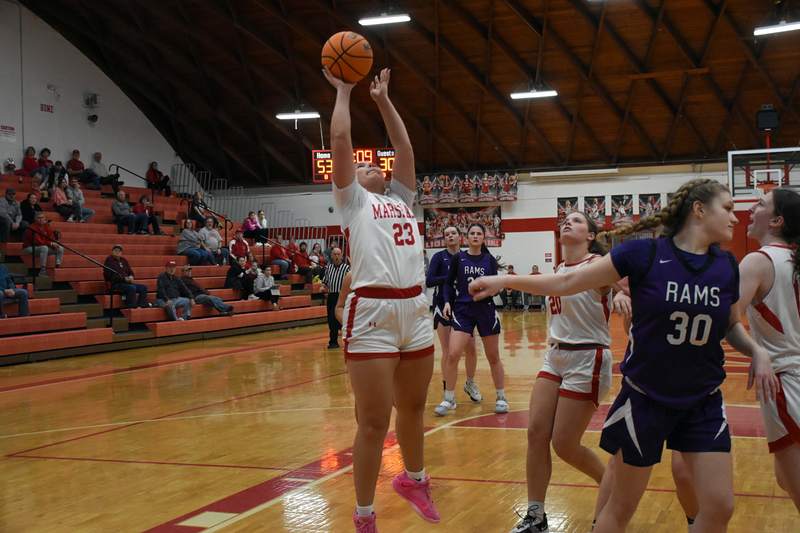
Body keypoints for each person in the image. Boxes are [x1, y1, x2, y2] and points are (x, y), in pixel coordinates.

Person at [469, 179, 778, 533]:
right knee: (617, 506)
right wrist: (504, 281)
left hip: (702, 399)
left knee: (721, 506)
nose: (735, 218)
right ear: (699, 210)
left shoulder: (725, 266)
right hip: (645, 398)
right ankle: (540, 512)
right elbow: (569, 283)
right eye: (726, 208)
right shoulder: (643, 254)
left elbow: (729, 323)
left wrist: (757, 350)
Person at [324, 66, 438, 531]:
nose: (373, 167)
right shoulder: (353, 201)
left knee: (412, 409)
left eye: (377, 165)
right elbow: (339, 141)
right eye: (366, 165)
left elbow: (406, 149)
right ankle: (364, 514)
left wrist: (384, 99)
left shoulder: (403, 199)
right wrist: (345, 92)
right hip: (371, 310)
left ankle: (415, 479)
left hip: (415, 309)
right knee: (373, 422)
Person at [508, 212, 613, 533]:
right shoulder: (557, 268)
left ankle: (612, 484)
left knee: (564, 444)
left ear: (591, 235)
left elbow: (624, 283)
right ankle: (536, 515)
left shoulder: (599, 264)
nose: (568, 222)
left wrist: (621, 294)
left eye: (578, 221)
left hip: (587, 357)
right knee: (536, 433)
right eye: (565, 220)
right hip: (555, 356)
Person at [738, 188, 800, 509]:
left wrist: (757, 350)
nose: (751, 207)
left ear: (776, 220)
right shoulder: (793, 257)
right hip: (791, 374)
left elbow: (726, 318)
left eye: (760, 204)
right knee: (783, 479)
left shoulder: (758, 261)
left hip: (785, 381)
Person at [435, 223, 508, 416]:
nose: (475, 236)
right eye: (472, 234)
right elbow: (448, 284)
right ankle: (449, 398)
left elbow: (495, 285)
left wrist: (496, 288)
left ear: (484, 238)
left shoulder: (489, 260)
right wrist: (447, 303)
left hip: (485, 310)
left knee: (493, 356)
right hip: (463, 310)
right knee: (453, 354)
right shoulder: (459, 258)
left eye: (479, 233)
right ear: (466, 238)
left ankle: (501, 396)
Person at [426, 225, 481, 402]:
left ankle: (470, 383)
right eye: (447, 234)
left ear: (460, 237)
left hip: (465, 308)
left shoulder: (467, 257)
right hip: (443, 307)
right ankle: (447, 390)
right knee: (448, 351)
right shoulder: (438, 257)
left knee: (471, 349)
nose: (450, 236)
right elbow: (429, 281)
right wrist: (449, 276)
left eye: (453, 233)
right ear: (444, 238)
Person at [321, 246, 350, 349]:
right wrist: (323, 287)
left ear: (341, 256)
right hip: (332, 296)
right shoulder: (328, 268)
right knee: (331, 319)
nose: (337, 256)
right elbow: (325, 282)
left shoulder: (347, 268)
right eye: (335, 254)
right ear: (331, 256)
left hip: (342, 296)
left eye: (338, 254)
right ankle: (333, 342)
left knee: (344, 318)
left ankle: (348, 340)